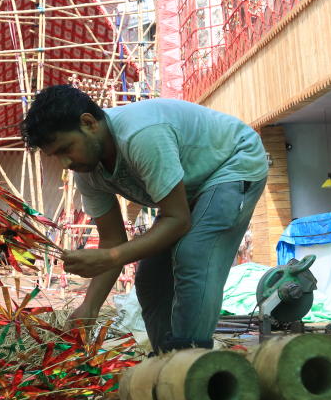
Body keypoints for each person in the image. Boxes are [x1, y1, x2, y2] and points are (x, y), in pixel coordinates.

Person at [20, 85, 268, 351]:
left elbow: (177, 219)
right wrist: (88, 307)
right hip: (191, 187)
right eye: (56, 156)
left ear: (89, 122)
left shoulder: (141, 135)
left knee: (193, 254)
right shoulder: (87, 173)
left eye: (66, 148)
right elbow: (113, 240)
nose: (65, 163)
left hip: (231, 163)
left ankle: (191, 360)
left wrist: (111, 257)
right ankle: (165, 359)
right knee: (151, 280)